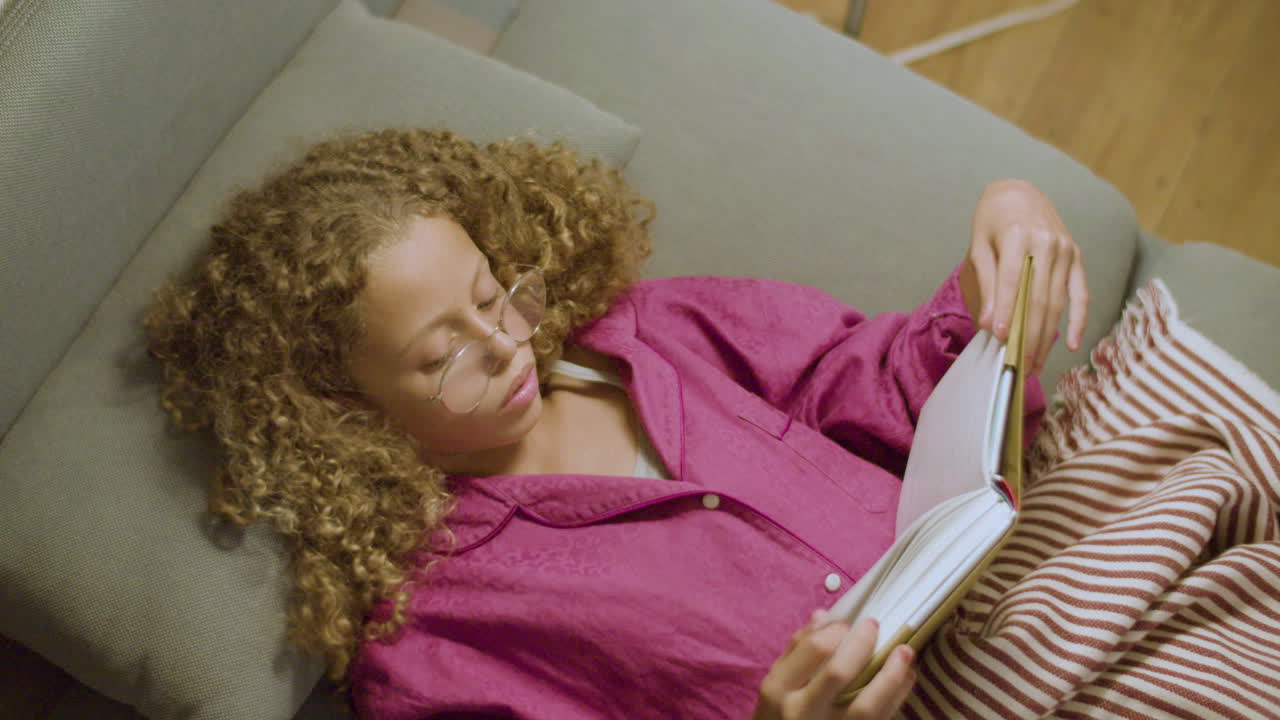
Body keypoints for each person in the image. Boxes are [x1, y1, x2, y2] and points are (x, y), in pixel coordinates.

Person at [145, 128, 1087, 719]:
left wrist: (1004, 239)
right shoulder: (431, 640)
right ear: (349, 412)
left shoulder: (650, 331)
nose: (510, 342)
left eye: (496, 293)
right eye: (446, 357)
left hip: (1047, 603)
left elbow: (874, 379)